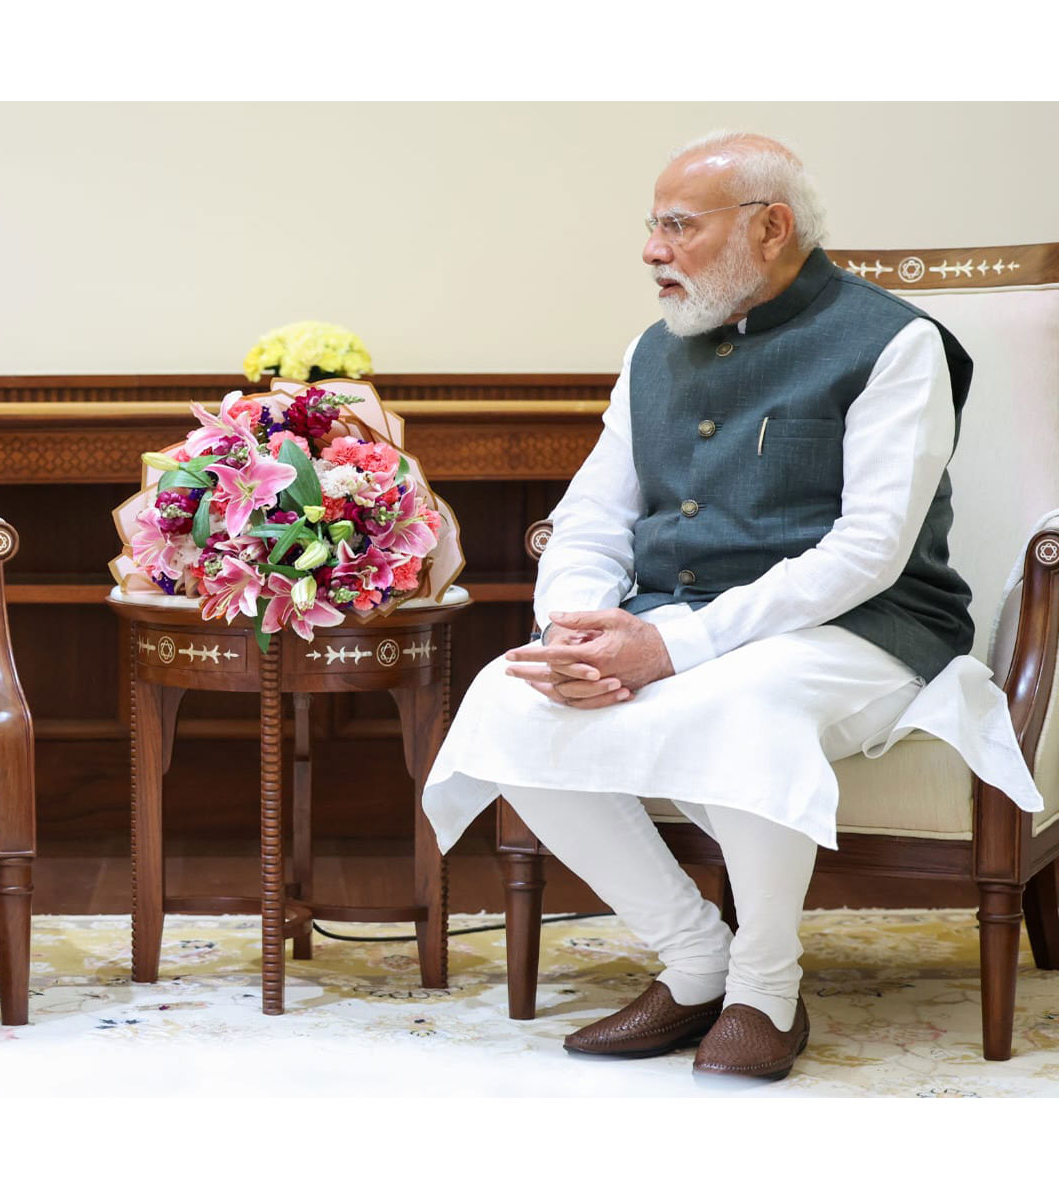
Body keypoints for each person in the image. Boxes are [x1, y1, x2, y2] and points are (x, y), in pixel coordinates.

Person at [421, 131, 1043, 1082]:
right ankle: (694, 961)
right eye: (652, 225)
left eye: (677, 225)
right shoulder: (652, 352)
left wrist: (672, 649)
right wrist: (577, 626)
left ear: (770, 227)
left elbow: (868, 551)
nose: (651, 250)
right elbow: (593, 514)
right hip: (675, 621)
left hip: (863, 630)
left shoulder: (897, 343)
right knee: (517, 697)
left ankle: (765, 992)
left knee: (742, 705)